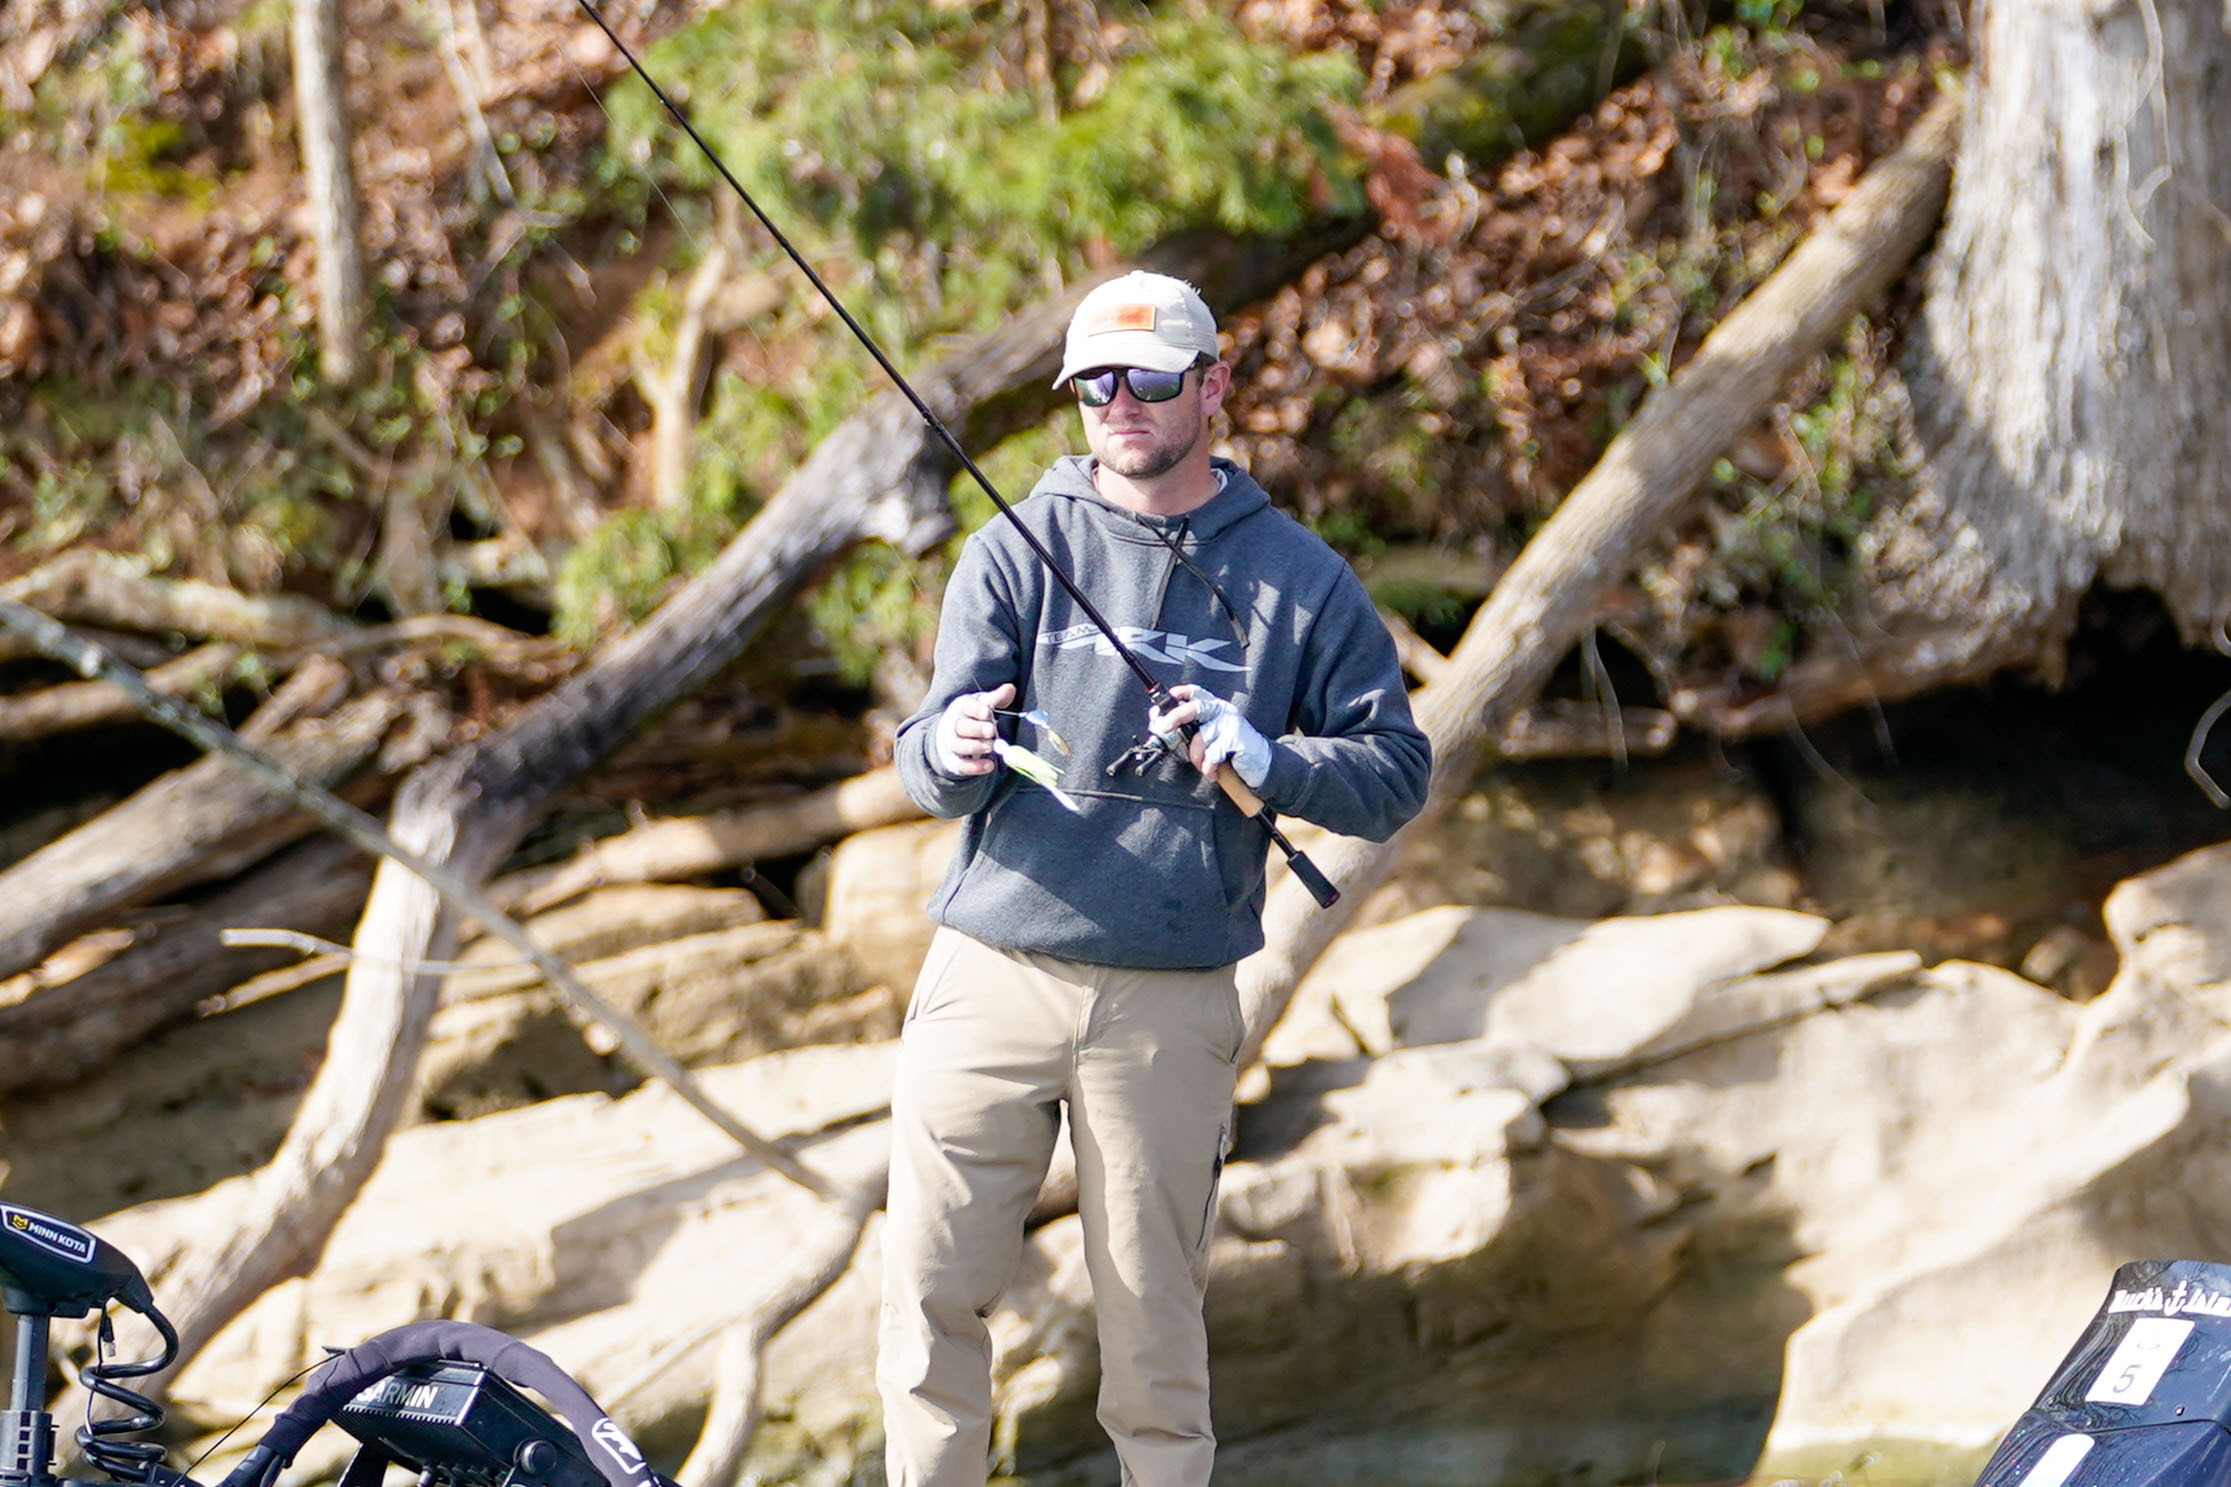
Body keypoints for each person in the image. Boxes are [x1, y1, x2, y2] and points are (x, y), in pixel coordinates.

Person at [878, 270, 1430, 1487]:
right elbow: (921, 759)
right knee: (926, 1300)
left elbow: (1396, 771)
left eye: (1148, 378)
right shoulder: (1010, 547)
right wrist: (951, 748)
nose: (1118, 403)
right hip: (989, 971)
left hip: (1168, 999)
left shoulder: (1299, 577)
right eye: (1092, 384)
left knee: (1154, 1342)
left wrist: (1264, 755)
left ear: (1212, 385)